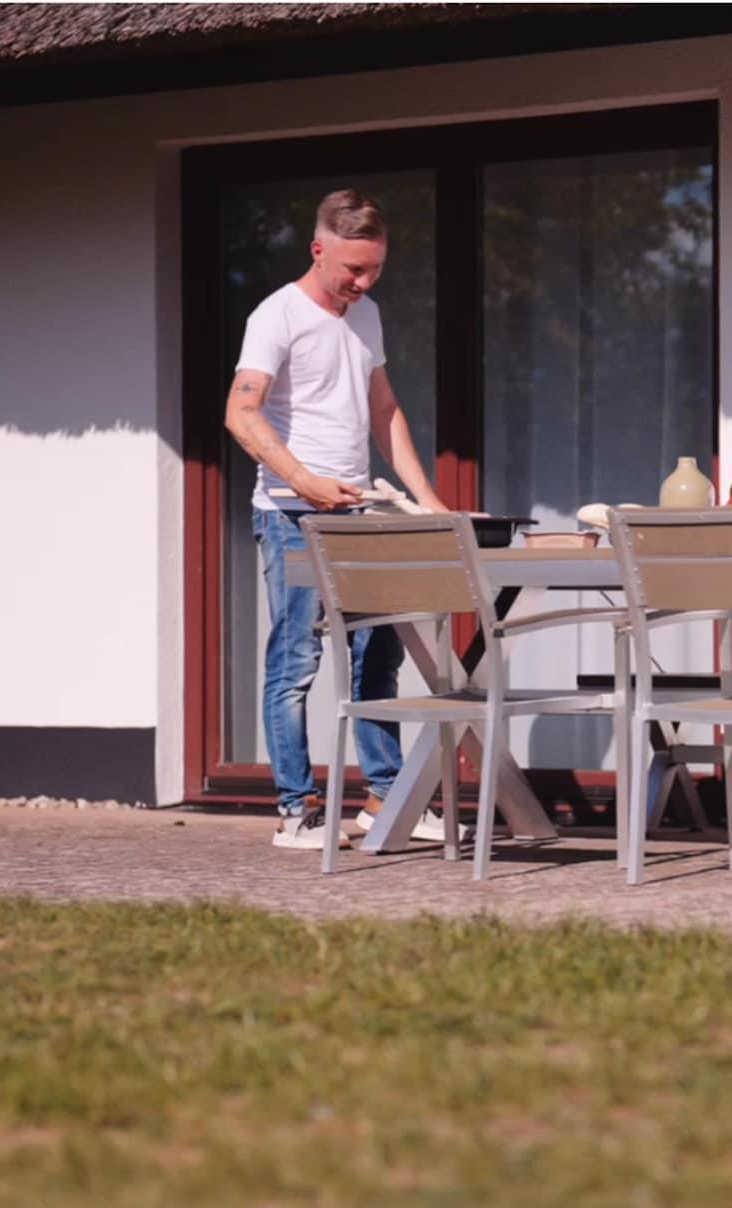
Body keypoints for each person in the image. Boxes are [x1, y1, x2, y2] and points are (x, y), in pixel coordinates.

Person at [223, 188, 455, 851]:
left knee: (378, 656)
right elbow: (240, 413)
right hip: (292, 514)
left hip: (360, 513)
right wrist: (305, 482)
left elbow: (384, 411)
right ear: (318, 249)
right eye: (353, 269)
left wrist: (431, 505)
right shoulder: (277, 315)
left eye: (375, 268)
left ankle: (386, 799)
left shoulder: (366, 315)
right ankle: (295, 811)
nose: (364, 282)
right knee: (295, 663)